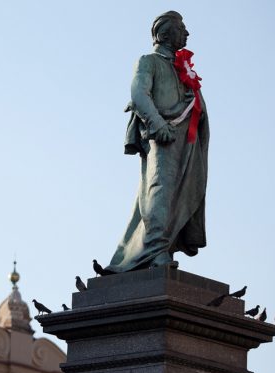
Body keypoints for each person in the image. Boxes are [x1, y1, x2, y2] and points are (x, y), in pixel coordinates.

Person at [106, 11, 209, 273]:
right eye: (181, 28)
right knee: (159, 191)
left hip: (187, 142)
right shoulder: (148, 61)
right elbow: (139, 93)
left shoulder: (183, 71)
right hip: (161, 138)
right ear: (164, 34)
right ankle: (155, 250)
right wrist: (157, 123)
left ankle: (163, 248)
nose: (187, 33)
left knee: (181, 194)